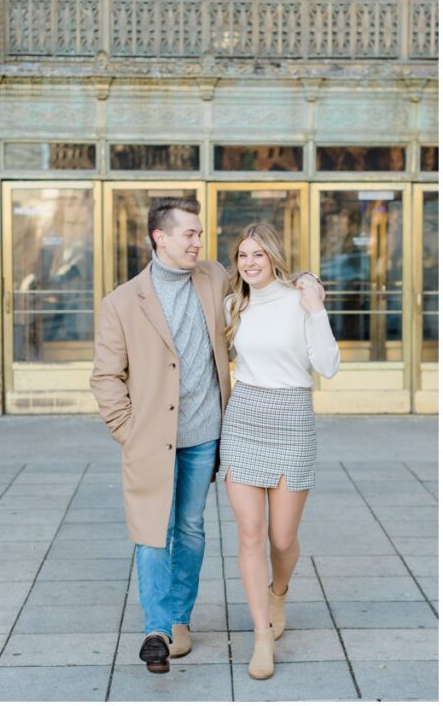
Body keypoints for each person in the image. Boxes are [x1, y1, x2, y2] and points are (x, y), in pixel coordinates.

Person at [90, 197, 231, 674]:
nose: (198, 241)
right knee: (152, 532)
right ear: (160, 238)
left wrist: (306, 286)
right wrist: (127, 431)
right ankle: (157, 627)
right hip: (149, 438)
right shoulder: (122, 302)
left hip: (205, 432)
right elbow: (106, 376)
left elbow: (264, 286)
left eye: (199, 233)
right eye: (189, 233)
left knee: (189, 529)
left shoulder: (214, 278)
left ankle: (180, 619)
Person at [216, 223, 339, 680]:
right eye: (242, 255)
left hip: (292, 417)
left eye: (258, 255)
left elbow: (327, 365)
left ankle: (279, 592)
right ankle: (262, 636)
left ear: (273, 257)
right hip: (245, 416)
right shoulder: (234, 304)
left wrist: (316, 309)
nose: (249, 263)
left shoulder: (300, 299)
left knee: (281, 538)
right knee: (250, 533)